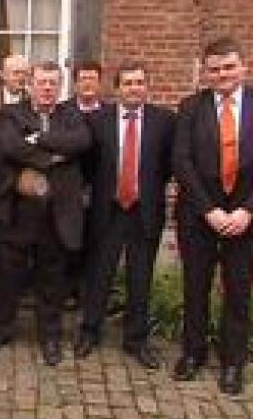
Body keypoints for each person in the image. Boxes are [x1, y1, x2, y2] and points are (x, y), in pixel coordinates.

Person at [172, 37, 253, 395]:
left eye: (229, 67)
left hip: (246, 218)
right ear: (205, 73)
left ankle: (233, 363)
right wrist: (208, 209)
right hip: (199, 216)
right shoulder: (190, 107)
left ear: (243, 67)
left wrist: (247, 210)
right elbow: (182, 161)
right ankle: (193, 354)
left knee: (238, 292)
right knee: (195, 288)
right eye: (215, 69)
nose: (222, 74)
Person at [0, 61, 91, 366]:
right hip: (17, 210)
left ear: (60, 86)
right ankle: (0, 330)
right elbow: (11, 147)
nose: (47, 88)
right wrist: (54, 157)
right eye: (42, 82)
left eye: (53, 83)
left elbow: (81, 142)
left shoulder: (72, 114)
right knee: (6, 276)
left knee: (52, 278)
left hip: (57, 212)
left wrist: (38, 138)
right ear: (30, 85)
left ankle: (50, 337)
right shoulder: (11, 114)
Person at [75, 61, 175, 370]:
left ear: (147, 86)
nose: (134, 88)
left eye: (139, 82)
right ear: (117, 89)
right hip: (108, 210)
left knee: (140, 277)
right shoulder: (98, 120)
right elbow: (87, 165)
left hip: (145, 211)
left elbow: (169, 165)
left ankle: (136, 339)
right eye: (128, 83)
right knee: (99, 274)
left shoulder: (165, 121)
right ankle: (89, 331)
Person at [58, 60, 105, 310]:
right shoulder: (62, 111)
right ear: (75, 83)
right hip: (68, 185)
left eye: (92, 78)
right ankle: (66, 290)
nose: (87, 83)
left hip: (100, 186)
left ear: (100, 82)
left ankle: (90, 293)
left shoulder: (110, 112)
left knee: (95, 240)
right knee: (68, 241)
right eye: (83, 78)